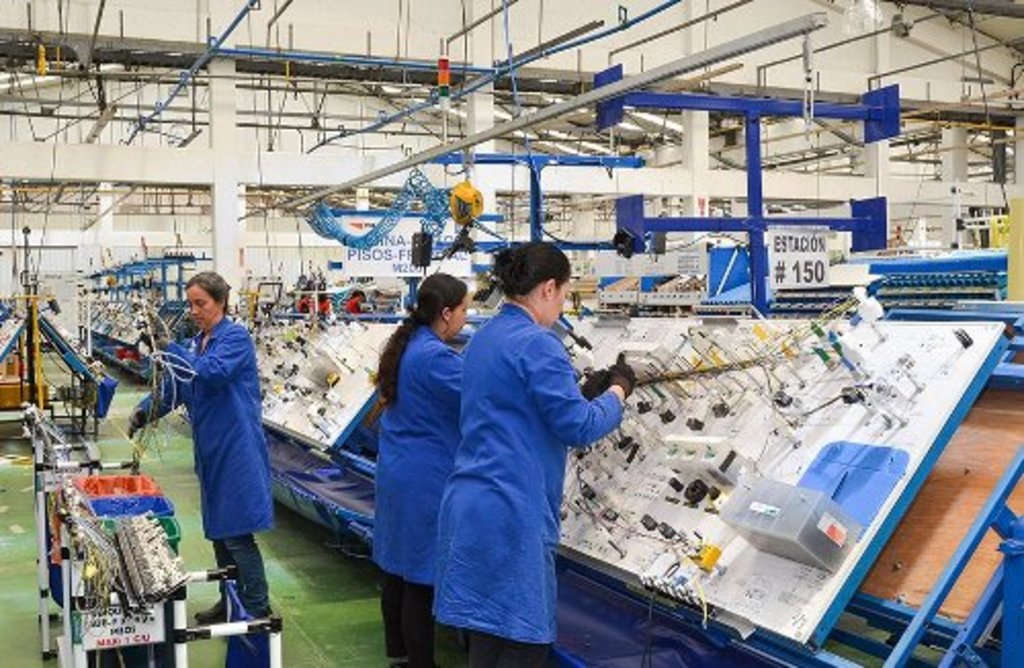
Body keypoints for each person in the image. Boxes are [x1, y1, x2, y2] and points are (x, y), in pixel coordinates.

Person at [433, 243, 635, 667]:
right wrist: (617, 392)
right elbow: (579, 427)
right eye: (563, 295)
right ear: (548, 288)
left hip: (471, 502)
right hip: (512, 511)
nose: (561, 306)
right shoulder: (539, 344)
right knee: (525, 644)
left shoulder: (484, 337)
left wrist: (578, 395)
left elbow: (515, 406)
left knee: (486, 637)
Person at [128, 271, 274, 623]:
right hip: (211, 449)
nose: (194, 311)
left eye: (201, 303)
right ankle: (230, 600)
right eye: (190, 304)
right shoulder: (198, 342)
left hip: (236, 448)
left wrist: (170, 347)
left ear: (220, 302)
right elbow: (178, 387)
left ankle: (256, 609)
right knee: (220, 534)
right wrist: (145, 411)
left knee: (237, 534)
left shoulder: (235, 338)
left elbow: (211, 373)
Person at [374, 273, 469, 668]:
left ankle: (398, 656)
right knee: (420, 579)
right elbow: (481, 396)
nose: (466, 318)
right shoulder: (435, 358)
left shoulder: (408, 343)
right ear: (446, 313)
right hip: (424, 480)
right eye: (463, 310)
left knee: (396, 571)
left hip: (397, 472)